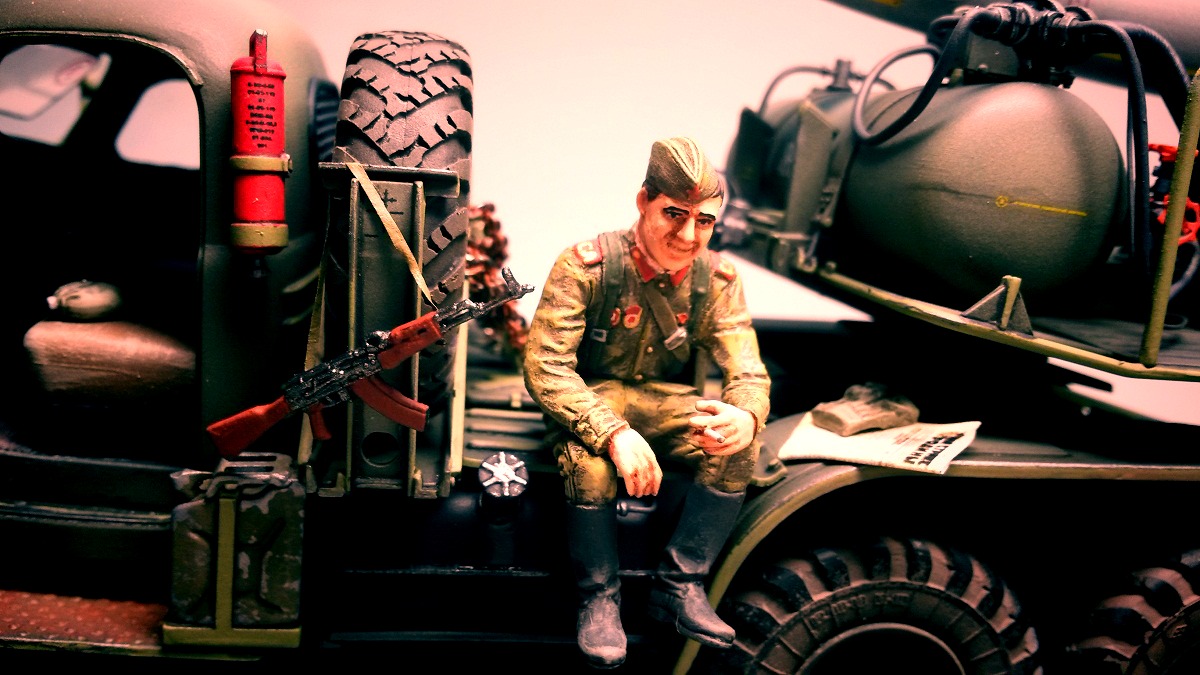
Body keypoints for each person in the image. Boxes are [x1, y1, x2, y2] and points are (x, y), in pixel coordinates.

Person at [523, 136, 771, 669]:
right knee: (590, 469)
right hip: (592, 400)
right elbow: (546, 366)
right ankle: (599, 598)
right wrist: (611, 431)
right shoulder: (586, 267)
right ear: (644, 201)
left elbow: (746, 367)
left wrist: (746, 413)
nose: (688, 235)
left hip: (666, 401)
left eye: (704, 221)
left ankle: (681, 585)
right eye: (674, 214)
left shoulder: (718, 280)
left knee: (738, 447)